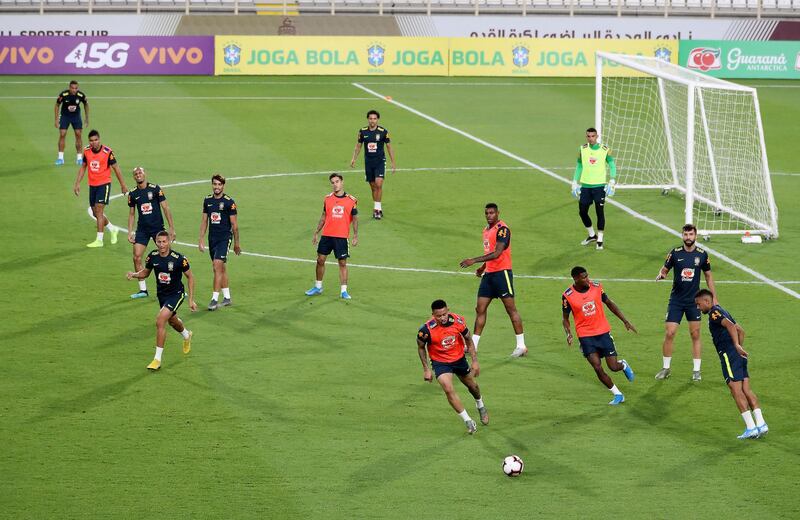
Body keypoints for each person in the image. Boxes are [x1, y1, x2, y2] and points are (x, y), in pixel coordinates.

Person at [695, 289, 768, 439]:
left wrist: (735, 346)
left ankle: (751, 427)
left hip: (729, 355)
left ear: (707, 302)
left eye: (698, 304)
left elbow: (730, 326)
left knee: (735, 390)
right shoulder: (722, 310)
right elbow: (740, 330)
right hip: (738, 355)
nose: (697, 307)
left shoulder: (714, 314)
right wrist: (739, 348)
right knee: (746, 390)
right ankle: (761, 424)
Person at [459, 203, 527, 357]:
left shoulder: (503, 230)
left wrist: (473, 260)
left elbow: (497, 253)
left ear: (497, 213)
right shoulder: (486, 230)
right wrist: (483, 268)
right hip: (489, 275)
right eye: (486, 213)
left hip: (502, 274)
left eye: (491, 213)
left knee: (511, 309)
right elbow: (489, 252)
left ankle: (521, 346)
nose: (489, 215)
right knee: (480, 309)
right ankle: (473, 346)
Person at [562, 266, 637, 405]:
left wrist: (625, 321)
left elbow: (609, 303)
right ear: (576, 278)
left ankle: (623, 365)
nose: (587, 279)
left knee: (613, 367)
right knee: (597, 367)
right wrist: (568, 333)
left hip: (603, 333)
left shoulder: (596, 287)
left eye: (587, 276)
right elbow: (565, 318)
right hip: (585, 337)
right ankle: (618, 394)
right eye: (584, 277)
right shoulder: (568, 296)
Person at [126, 231, 197, 371]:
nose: (161, 244)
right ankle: (186, 335)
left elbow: (190, 277)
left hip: (176, 294)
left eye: (164, 241)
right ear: (156, 242)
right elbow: (146, 273)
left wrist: (191, 300)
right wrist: (134, 275)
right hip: (162, 295)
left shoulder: (179, 259)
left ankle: (157, 359)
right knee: (172, 321)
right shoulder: (152, 256)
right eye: (159, 242)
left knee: (160, 320)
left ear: (169, 241)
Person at [655, 223, 717, 381]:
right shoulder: (675, 253)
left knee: (695, 334)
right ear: (682, 236)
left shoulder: (702, 255)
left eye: (690, 234)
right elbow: (665, 269)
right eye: (685, 234)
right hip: (676, 300)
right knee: (670, 333)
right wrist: (662, 274)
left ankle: (696, 370)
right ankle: (666, 368)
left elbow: (708, 276)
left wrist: (713, 297)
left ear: (695, 236)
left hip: (694, 302)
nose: (688, 237)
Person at [417, 299, 488, 434]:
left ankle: (480, 404)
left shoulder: (458, 322)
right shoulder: (426, 330)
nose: (442, 318)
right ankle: (468, 420)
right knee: (448, 389)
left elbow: (468, 339)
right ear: (433, 314)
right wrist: (426, 369)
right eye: (438, 316)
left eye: (444, 314)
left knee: (473, 387)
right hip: (440, 363)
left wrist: (474, 361)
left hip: (459, 359)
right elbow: (420, 347)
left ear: (447, 310)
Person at [305, 173, 359, 300]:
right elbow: (324, 216)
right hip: (327, 235)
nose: (335, 185)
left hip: (341, 237)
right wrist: (316, 232)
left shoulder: (351, 200)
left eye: (337, 181)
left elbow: (355, 219)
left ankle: (344, 291)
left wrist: (355, 235)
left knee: (342, 263)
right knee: (320, 260)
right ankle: (318, 287)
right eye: (333, 182)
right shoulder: (327, 199)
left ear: (342, 182)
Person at [127, 167, 176, 299]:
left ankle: (175, 288)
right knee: (136, 257)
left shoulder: (155, 189)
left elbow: (165, 207)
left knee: (168, 256)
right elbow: (132, 214)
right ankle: (143, 290)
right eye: (136, 174)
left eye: (140, 173)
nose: (138, 175)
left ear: (145, 174)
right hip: (142, 230)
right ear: (134, 177)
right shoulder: (132, 194)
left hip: (157, 229)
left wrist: (171, 228)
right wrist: (130, 231)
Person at [73, 129, 127, 248]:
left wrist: (123, 185)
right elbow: (83, 167)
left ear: (99, 140)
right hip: (92, 185)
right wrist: (77, 183)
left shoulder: (107, 152)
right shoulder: (86, 151)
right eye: (91, 140)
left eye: (96, 140)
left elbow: (116, 168)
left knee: (99, 210)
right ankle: (113, 229)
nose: (94, 142)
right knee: (94, 212)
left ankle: (99, 239)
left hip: (104, 184)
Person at [198, 174, 241, 311]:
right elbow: (205, 221)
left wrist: (236, 243)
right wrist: (201, 239)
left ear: (223, 186)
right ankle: (227, 298)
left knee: (217, 266)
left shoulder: (229, 202)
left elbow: (234, 225)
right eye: (214, 184)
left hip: (224, 238)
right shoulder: (207, 200)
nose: (217, 187)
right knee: (220, 268)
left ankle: (214, 299)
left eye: (219, 184)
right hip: (212, 239)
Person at [571, 127, 617, 250]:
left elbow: (612, 165)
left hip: (599, 186)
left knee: (599, 211)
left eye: (593, 136)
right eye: (588, 136)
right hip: (585, 186)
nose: (591, 138)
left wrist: (612, 180)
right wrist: (575, 182)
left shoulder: (605, 150)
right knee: (582, 211)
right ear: (586, 137)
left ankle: (600, 239)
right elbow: (579, 165)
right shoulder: (583, 149)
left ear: (597, 136)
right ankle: (592, 235)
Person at [349, 109, 396, 220]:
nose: (372, 121)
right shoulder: (363, 131)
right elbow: (358, 146)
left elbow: (389, 147)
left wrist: (393, 162)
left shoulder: (383, 131)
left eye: (374, 119)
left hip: (380, 161)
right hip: (368, 163)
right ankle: (376, 207)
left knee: (379, 184)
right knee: (373, 187)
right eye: (370, 118)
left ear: (377, 119)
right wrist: (353, 159)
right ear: (368, 119)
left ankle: (378, 209)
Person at [54, 80, 89, 166]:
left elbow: (86, 105)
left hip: (76, 117)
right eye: (72, 88)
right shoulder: (63, 95)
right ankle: (60, 158)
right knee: (62, 134)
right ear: (69, 88)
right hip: (65, 116)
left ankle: (79, 158)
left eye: (76, 88)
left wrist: (86, 118)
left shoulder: (81, 95)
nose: (74, 90)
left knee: (78, 134)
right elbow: (57, 105)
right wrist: (56, 119)